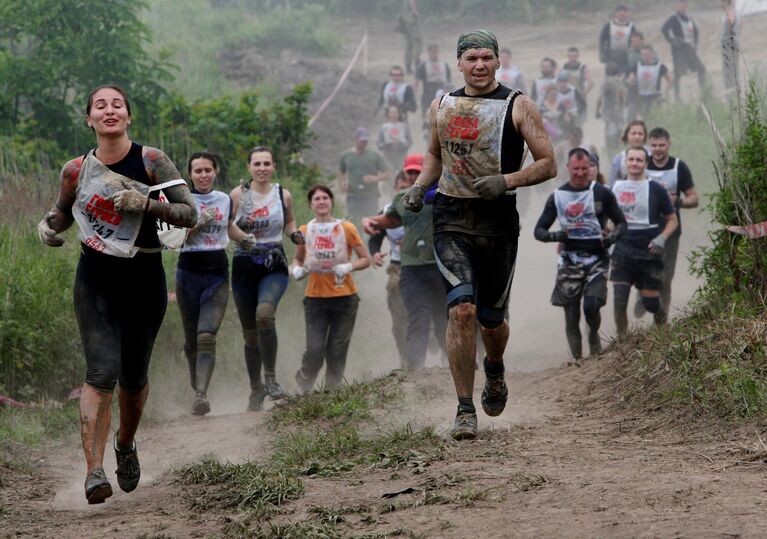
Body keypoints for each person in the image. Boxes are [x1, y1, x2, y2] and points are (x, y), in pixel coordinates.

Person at [36, 85, 197, 504]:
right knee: (100, 371)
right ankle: (93, 471)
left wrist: (147, 203)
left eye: (117, 105)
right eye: (100, 106)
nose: (109, 110)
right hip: (95, 277)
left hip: (144, 276)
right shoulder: (75, 169)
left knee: (133, 377)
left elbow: (189, 212)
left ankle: (125, 444)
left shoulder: (151, 160)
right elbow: (64, 209)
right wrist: (49, 224)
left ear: (128, 117)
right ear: (89, 119)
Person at [400, 30, 556, 440]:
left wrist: (506, 180)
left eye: (487, 57)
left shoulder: (519, 105)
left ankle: (495, 368)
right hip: (451, 216)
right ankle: (464, 408)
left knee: (491, 321)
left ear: (498, 61)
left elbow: (548, 164)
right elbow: (434, 155)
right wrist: (419, 186)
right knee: (462, 309)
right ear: (459, 63)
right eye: (472, 58)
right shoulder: (442, 104)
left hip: (498, 223)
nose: (480, 65)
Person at [229, 146, 304, 411]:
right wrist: (243, 237)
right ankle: (255, 388)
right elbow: (227, 225)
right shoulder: (238, 195)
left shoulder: (283, 194)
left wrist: (295, 235)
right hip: (244, 265)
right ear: (249, 167)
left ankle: (271, 380)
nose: (262, 168)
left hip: (274, 263)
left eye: (266, 164)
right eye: (257, 164)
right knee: (250, 334)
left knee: (264, 314)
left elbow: (290, 222)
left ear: (273, 167)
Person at [534, 148, 626, 359]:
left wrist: (611, 239)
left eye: (585, 168)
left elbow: (622, 223)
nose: (580, 173)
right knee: (571, 314)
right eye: (576, 169)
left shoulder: (603, 193)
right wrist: (558, 236)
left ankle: (594, 339)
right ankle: (577, 359)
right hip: (569, 261)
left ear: (590, 169)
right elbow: (538, 231)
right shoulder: (557, 197)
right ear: (568, 168)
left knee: (592, 306)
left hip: (598, 260)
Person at [363, 154, 448, 370]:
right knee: (417, 319)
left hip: (440, 266)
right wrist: (369, 220)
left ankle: (455, 364)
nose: (412, 176)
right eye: (409, 172)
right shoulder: (401, 198)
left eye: (417, 171)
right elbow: (386, 221)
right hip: (409, 268)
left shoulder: (443, 194)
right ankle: (414, 370)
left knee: (442, 320)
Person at [291, 185, 371, 391]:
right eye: (317, 199)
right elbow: (297, 259)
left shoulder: (347, 228)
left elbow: (365, 259)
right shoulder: (304, 231)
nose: (322, 202)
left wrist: (349, 266)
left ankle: (331, 392)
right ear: (310, 204)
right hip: (315, 298)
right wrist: (297, 270)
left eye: (325, 197)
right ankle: (305, 381)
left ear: (332, 201)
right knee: (315, 349)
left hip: (345, 297)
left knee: (337, 348)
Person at [176, 152, 234, 416]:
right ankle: (195, 385)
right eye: (197, 171)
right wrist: (197, 222)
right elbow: (173, 238)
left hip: (217, 273)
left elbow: (229, 227)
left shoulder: (224, 200)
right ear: (190, 174)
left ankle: (201, 394)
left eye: (207, 170)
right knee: (191, 341)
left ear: (216, 171)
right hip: (188, 273)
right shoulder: (181, 200)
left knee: (207, 334)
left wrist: (245, 241)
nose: (203, 175)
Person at [610, 146, 678, 337]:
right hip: (623, 250)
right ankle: (622, 341)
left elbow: (673, 220)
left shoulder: (656, 189)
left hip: (649, 250)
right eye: (631, 159)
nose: (634, 163)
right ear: (626, 162)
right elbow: (609, 220)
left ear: (646, 164)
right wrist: (607, 234)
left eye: (639, 160)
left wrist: (662, 238)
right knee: (620, 298)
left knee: (651, 303)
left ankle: (663, 331)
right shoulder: (616, 188)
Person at [641, 127, 699, 324]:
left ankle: (661, 321)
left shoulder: (678, 167)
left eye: (662, 145)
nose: (658, 149)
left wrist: (679, 202)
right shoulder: (642, 164)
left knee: (666, 278)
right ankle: (644, 296)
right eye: (654, 145)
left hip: (671, 230)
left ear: (669, 144)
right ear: (649, 145)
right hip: (644, 228)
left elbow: (694, 198)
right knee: (644, 272)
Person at [366, 173, 409, 368]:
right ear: (394, 188)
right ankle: (404, 359)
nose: (403, 192)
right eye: (400, 188)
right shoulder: (387, 212)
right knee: (399, 318)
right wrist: (374, 253)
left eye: (407, 188)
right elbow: (375, 237)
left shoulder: (426, 209)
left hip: (427, 266)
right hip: (398, 268)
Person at [338, 127, 389, 233]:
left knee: (372, 222)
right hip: (353, 195)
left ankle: (371, 245)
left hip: (370, 195)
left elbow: (387, 173)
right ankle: (356, 244)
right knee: (352, 222)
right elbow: (341, 171)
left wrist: (375, 178)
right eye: (362, 141)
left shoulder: (374, 156)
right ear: (356, 139)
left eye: (366, 141)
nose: (364, 143)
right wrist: (342, 182)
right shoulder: (346, 156)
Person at [661, 0, 706, 101]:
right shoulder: (673, 18)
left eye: (684, 5)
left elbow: (696, 32)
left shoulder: (689, 18)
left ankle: (704, 91)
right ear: (677, 6)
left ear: (686, 6)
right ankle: (678, 97)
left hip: (690, 49)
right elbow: (664, 29)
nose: (682, 7)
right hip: (679, 51)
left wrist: (695, 45)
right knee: (678, 74)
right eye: (680, 5)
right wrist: (672, 41)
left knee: (701, 69)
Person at [626, 45, 672, 118]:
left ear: (652, 54)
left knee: (656, 117)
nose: (645, 57)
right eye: (643, 54)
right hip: (642, 96)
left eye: (647, 54)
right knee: (645, 117)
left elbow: (669, 79)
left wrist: (666, 91)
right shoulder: (637, 66)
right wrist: (630, 82)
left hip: (655, 96)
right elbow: (631, 77)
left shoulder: (659, 66)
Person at [377, 105, 412, 194]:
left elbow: (409, 141)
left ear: (398, 114)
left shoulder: (404, 126)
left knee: (402, 174)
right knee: (390, 176)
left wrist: (402, 146)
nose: (393, 114)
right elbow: (379, 142)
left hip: (401, 154)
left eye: (395, 112)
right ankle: (390, 194)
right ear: (388, 114)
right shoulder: (384, 127)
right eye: (391, 112)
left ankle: (402, 192)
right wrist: (384, 145)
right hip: (388, 155)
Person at [415, 44, 452, 124]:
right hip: (428, 94)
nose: (434, 54)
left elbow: (449, 82)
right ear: (428, 52)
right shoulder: (423, 65)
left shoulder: (444, 65)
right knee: (427, 118)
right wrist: (415, 93)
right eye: (432, 52)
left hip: (442, 94)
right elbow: (417, 81)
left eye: (436, 51)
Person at [596, 62, 628, 152]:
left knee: (609, 133)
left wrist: (597, 111)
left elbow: (600, 98)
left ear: (606, 72)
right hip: (619, 112)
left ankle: (610, 151)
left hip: (609, 113)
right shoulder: (620, 82)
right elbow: (623, 96)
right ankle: (617, 149)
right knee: (618, 132)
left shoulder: (607, 82)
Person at [599, 5, 637, 74]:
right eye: (620, 13)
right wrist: (601, 53)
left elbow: (636, 41)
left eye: (624, 13)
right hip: (611, 54)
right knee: (611, 75)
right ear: (615, 14)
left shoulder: (631, 27)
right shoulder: (609, 25)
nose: (622, 15)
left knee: (625, 74)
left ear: (627, 14)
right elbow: (602, 40)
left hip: (625, 55)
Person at [608, 119, 648, 186]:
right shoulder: (619, 159)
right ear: (627, 135)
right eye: (633, 133)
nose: (637, 136)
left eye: (640, 134)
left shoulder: (651, 156)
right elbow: (612, 183)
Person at [721, 0, 741, 91]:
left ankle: (732, 93)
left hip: (729, 45)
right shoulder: (734, 12)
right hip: (732, 44)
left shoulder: (730, 12)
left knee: (729, 70)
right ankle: (734, 91)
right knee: (733, 69)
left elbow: (731, 24)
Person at [398, 0, 422, 75]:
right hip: (413, 23)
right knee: (417, 44)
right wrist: (415, 12)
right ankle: (417, 66)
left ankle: (408, 67)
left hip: (407, 23)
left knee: (409, 46)